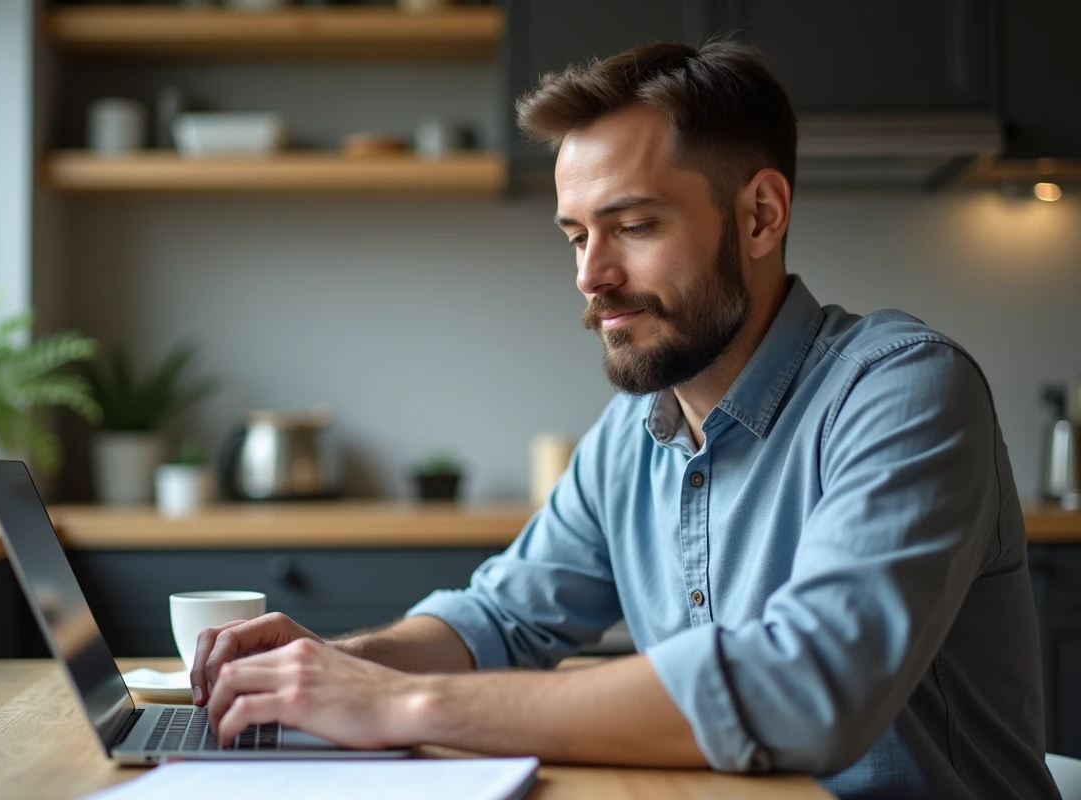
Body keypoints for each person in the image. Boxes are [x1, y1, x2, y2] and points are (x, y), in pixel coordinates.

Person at [189, 41, 1060, 799]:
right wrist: (341, 665)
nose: (590, 275)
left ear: (760, 214)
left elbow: (811, 689)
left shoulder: (903, 390)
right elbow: (500, 622)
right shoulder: (632, 435)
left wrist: (399, 706)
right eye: (576, 236)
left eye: (633, 225)